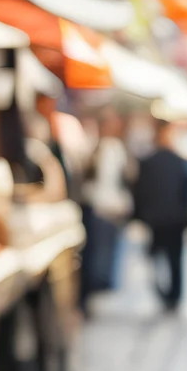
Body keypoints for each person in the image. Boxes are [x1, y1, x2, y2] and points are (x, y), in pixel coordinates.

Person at [133, 122, 187, 311]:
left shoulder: (151, 162)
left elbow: (140, 192)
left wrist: (140, 215)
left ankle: (169, 294)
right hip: (173, 218)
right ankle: (172, 295)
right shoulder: (178, 162)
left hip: (159, 218)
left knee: (160, 257)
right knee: (173, 259)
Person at [79, 109, 134, 312]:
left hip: (111, 209)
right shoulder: (95, 149)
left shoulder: (118, 149)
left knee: (105, 254)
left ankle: (98, 288)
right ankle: (90, 292)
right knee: (95, 255)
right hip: (97, 208)